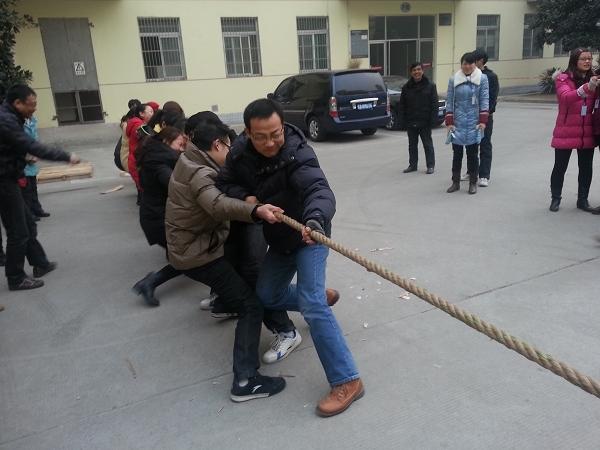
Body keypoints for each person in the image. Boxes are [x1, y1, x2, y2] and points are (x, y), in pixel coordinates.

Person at [217, 98, 363, 417]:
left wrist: (315, 220)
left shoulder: (297, 151)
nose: (271, 142)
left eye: (276, 134)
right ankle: (318, 296)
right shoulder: (239, 154)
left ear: (283, 126)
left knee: (312, 306)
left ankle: (348, 380)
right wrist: (248, 199)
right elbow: (224, 182)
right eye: (261, 137)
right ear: (248, 133)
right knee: (267, 294)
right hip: (279, 238)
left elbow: (318, 189)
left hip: (310, 233)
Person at [165, 120, 287, 402]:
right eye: (228, 147)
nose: (231, 152)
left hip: (189, 247)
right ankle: (245, 380)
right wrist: (255, 210)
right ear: (218, 144)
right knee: (250, 305)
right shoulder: (201, 173)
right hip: (197, 254)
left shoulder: (189, 159)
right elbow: (217, 204)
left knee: (246, 286)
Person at [0, 84, 80, 291]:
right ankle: (16, 278)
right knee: (18, 231)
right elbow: (31, 145)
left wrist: (22, 158)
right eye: (31, 105)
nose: (34, 109)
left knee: (27, 223)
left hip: (9, 177)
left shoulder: (11, 118)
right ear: (17, 103)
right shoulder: (6, 120)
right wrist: (66, 156)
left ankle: (40, 263)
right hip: (3, 182)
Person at [133, 126, 187, 306]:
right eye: (179, 144)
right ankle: (149, 282)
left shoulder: (155, 156)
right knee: (188, 258)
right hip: (159, 219)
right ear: (166, 142)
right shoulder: (159, 162)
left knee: (185, 257)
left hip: (156, 216)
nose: (181, 149)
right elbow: (175, 185)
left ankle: (151, 281)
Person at [548, 48, 598, 212]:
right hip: (566, 130)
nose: (587, 61)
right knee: (560, 167)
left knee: (586, 168)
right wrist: (587, 87)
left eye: (589, 58)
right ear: (574, 61)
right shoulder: (563, 78)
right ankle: (556, 198)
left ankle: (582, 200)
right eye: (583, 59)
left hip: (586, 130)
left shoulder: (594, 78)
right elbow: (565, 98)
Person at [445, 52, 490, 195]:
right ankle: (455, 182)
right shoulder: (454, 80)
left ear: (474, 64)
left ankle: (472, 183)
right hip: (457, 123)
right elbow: (449, 101)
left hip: (473, 123)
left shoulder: (482, 79)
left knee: (472, 155)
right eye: (465, 63)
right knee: (457, 154)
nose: (467, 66)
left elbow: (484, 100)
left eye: (470, 63)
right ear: (461, 64)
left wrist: (483, 121)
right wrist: (449, 121)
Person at [464, 49, 499, 187]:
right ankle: (471, 171)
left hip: (485, 117)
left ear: (481, 61)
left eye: (473, 61)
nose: (470, 64)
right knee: (471, 146)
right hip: (470, 116)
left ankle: (484, 175)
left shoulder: (490, 76)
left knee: (484, 145)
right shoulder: (468, 75)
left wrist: (485, 114)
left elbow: (492, 98)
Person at [399, 62, 439, 174]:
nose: (416, 72)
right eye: (414, 70)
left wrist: (433, 120)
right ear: (411, 72)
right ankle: (412, 165)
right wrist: (403, 120)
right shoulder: (406, 87)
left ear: (422, 71)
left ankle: (430, 166)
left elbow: (434, 104)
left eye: (418, 69)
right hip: (411, 121)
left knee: (427, 144)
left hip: (425, 121)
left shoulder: (430, 86)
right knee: (412, 145)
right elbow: (402, 105)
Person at [21, 116, 50, 219]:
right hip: (22, 161)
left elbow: (35, 139)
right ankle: (29, 213)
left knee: (33, 187)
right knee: (26, 190)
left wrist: (36, 153)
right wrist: (28, 156)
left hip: (32, 158)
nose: (33, 110)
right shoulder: (17, 121)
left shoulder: (31, 120)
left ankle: (37, 209)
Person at [127, 102, 157, 195]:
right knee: (145, 191)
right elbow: (150, 139)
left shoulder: (135, 123)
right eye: (150, 111)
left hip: (135, 159)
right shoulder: (139, 126)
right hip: (137, 161)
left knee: (142, 190)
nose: (153, 114)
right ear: (141, 114)